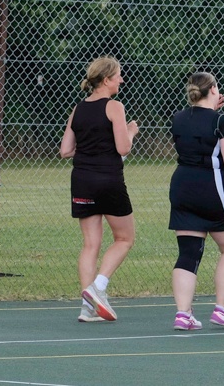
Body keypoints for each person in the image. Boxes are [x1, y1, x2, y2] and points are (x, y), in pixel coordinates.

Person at [58, 56, 138, 323]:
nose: (122, 80)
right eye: (118, 76)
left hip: (82, 180)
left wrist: (91, 147)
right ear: (106, 80)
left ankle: (87, 307)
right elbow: (123, 148)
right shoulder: (115, 106)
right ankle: (97, 288)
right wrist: (130, 131)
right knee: (125, 238)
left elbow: (65, 150)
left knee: (91, 244)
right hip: (108, 180)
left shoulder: (77, 109)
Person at [167, 72, 224, 330]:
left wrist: (213, 111)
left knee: (188, 253)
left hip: (182, 186)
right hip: (213, 186)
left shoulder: (178, 118)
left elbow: (196, 131)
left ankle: (183, 314)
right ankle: (222, 309)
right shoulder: (221, 121)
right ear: (213, 89)